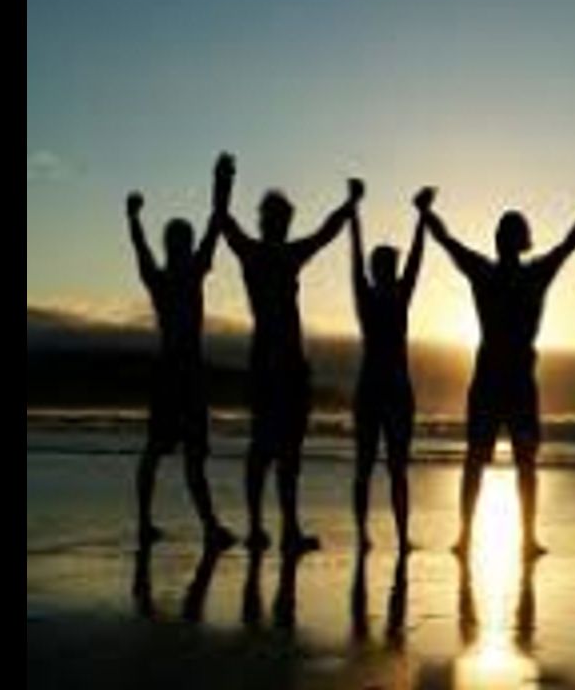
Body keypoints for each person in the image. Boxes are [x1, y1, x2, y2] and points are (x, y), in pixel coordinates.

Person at [421, 192, 575, 558]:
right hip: (498, 376)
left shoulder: (521, 274)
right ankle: (470, 536)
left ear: (514, 241)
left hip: (509, 377)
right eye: (507, 234)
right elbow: (446, 241)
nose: (505, 240)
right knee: (485, 458)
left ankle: (520, 537)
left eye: (509, 234)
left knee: (518, 459)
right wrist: (426, 213)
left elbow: (568, 246)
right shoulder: (498, 273)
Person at [219, 168, 359, 554]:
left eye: (283, 219)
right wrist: (224, 182)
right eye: (276, 219)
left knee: (284, 450)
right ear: (267, 221)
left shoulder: (280, 253)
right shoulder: (261, 253)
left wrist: (348, 205)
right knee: (267, 449)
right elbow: (224, 220)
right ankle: (263, 528)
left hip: (287, 363)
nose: (280, 225)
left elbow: (325, 233)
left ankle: (284, 529)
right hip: (271, 361)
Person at [127, 153, 236, 550]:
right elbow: (214, 225)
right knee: (184, 455)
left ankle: (158, 523)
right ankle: (205, 527)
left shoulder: (165, 277)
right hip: (184, 373)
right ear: (184, 246)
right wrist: (223, 181)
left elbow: (209, 227)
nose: (186, 247)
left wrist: (133, 218)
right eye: (184, 243)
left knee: (162, 451)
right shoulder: (187, 274)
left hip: (175, 372)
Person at [349, 184, 430, 552]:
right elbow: (358, 258)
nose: (391, 270)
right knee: (372, 466)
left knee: (390, 467)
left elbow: (415, 260)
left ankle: (396, 536)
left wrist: (422, 218)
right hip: (381, 387)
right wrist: (354, 214)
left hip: (390, 388)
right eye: (387, 266)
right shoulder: (376, 295)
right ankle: (371, 535)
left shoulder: (395, 294)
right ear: (379, 269)